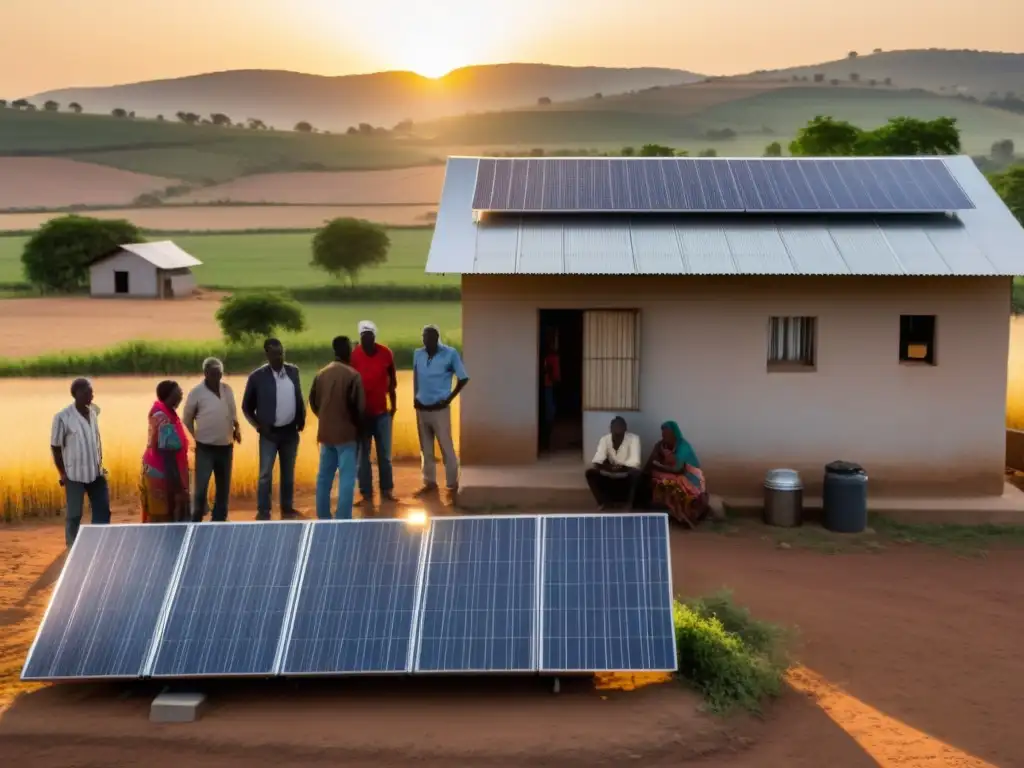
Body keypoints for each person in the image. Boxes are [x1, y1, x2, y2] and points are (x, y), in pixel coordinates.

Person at [241, 338, 306, 521]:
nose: (279, 357)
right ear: (267, 354)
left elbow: (298, 396)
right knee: (265, 474)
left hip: (290, 432)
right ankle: (263, 511)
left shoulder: (293, 371)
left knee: (288, 472)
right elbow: (246, 407)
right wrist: (259, 427)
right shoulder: (257, 377)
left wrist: (301, 418)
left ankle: (287, 508)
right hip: (269, 434)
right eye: (275, 354)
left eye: (281, 353)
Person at [309, 336, 365, 520]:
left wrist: (325, 418)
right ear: (347, 351)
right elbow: (359, 407)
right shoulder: (353, 375)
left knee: (324, 477)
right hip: (347, 435)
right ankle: (343, 518)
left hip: (325, 434)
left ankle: (323, 516)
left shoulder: (321, 373)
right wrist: (357, 428)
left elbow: (313, 402)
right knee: (347, 479)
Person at [50, 378, 110, 546]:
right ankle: (72, 546)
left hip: (96, 472)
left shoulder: (93, 411)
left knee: (103, 510)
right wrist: (63, 473)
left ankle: (99, 543)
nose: (91, 394)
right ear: (76, 394)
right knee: (74, 514)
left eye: (91, 391)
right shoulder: (62, 418)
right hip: (74, 475)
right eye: (87, 392)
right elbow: (55, 447)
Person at [413, 325, 469, 496]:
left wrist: (450, 398)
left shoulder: (450, 354)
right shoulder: (418, 354)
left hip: (440, 409)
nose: (425, 341)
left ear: (436, 338)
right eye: (423, 338)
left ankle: (452, 484)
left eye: (428, 338)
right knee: (426, 449)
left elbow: (463, 378)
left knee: (446, 447)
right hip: (421, 408)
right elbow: (416, 377)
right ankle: (429, 482)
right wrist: (415, 398)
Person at [183, 358, 241, 522]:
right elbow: (187, 420)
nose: (218, 376)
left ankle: (219, 519)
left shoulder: (227, 390)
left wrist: (237, 428)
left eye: (220, 373)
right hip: (205, 448)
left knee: (223, 488)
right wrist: (194, 439)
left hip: (226, 446)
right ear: (206, 373)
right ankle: (195, 521)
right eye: (214, 373)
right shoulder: (197, 393)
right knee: (201, 488)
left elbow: (233, 412)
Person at [350, 320, 397, 505]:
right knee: (363, 456)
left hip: (382, 413)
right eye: (363, 337)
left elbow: (392, 380)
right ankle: (366, 493)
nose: (366, 340)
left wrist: (393, 406)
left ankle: (386, 490)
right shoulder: (355, 356)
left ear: (374, 337)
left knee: (384, 455)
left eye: (369, 336)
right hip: (362, 415)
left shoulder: (386, 353)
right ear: (360, 338)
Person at [140, 380, 191, 524]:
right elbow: (168, 456)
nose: (181, 394)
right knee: (165, 519)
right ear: (170, 395)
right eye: (178, 391)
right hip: (162, 475)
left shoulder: (167, 413)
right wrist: (178, 490)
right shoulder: (162, 417)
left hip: (161, 471)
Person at [646, 420, 708, 528]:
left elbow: (679, 469)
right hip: (672, 474)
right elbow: (650, 463)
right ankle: (676, 514)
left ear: (675, 434)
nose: (665, 435)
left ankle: (686, 515)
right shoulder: (660, 446)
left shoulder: (683, 446)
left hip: (690, 477)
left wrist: (660, 468)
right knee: (658, 480)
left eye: (668, 433)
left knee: (671, 483)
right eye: (663, 433)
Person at [585, 416, 642, 510]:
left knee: (636, 474)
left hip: (626, 475)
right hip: (610, 474)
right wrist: (610, 468)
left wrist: (619, 468)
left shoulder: (634, 439)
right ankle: (603, 502)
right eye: (615, 427)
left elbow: (634, 462)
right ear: (610, 429)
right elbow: (597, 461)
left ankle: (629, 504)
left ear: (625, 428)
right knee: (590, 473)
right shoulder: (605, 439)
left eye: (620, 427)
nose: (618, 429)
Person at [540, 330, 560, 451]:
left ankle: (547, 440)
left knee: (550, 412)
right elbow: (549, 372)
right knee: (549, 413)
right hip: (549, 385)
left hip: (551, 385)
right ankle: (546, 440)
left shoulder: (553, 357)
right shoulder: (548, 358)